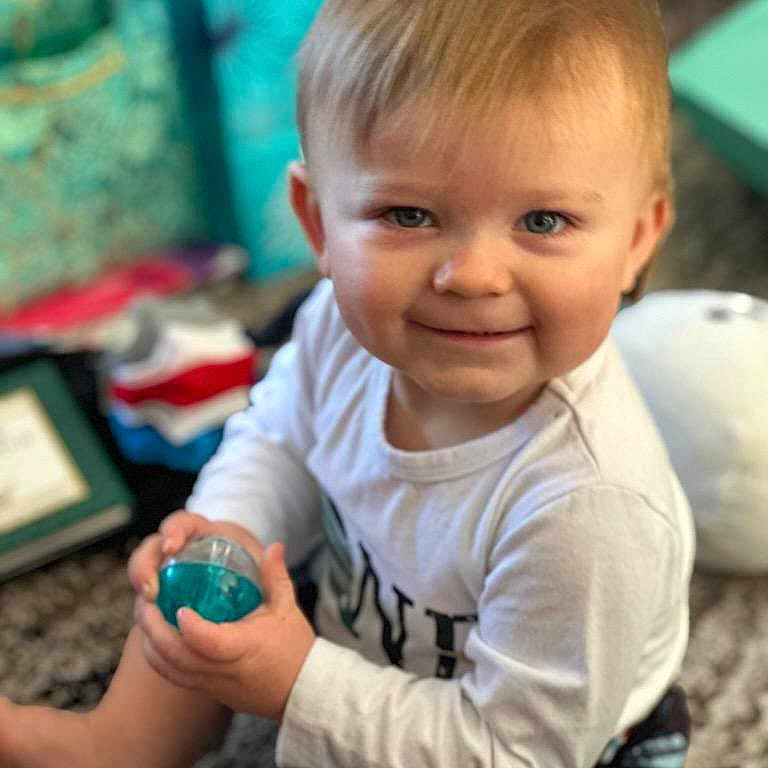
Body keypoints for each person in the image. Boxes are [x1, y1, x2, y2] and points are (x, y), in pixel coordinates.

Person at [0, 0, 696, 765]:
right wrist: (230, 528)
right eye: (410, 214)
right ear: (319, 224)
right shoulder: (337, 325)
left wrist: (297, 683)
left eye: (543, 222)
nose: (473, 276)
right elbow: (278, 437)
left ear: (637, 240)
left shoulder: (588, 510)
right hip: (364, 614)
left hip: (534, 736)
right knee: (201, 579)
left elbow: (513, 749)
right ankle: (117, 745)